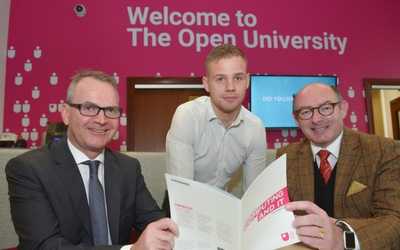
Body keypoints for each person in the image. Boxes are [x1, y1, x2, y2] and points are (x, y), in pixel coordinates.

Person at [6, 70, 179, 250]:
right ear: (65, 114)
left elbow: (156, 223)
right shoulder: (28, 169)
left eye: (110, 110)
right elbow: (44, 246)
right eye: (89, 108)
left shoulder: (129, 168)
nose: (102, 120)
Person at [277, 82, 400, 249]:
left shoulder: (384, 151)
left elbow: (394, 220)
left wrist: (342, 236)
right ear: (296, 119)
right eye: (306, 112)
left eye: (326, 108)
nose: (316, 119)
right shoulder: (285, 156)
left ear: (343, 108)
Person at [166, 44, 267, 194]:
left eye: (238, 78)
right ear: (206, 84)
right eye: (221, 79)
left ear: (247, 81)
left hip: (219, 205)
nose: (230, 87)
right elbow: (181, 192)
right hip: (180, 203)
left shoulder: (256, 127)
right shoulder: (187, 116)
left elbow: (255, 195)